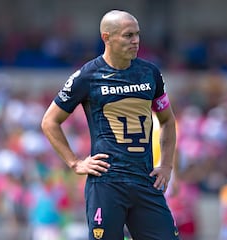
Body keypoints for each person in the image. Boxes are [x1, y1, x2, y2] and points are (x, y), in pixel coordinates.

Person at [41, 10, 179, 240]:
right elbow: (49, 121)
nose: (135, 40)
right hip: (107, 183)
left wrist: (166, 166)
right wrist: (75, 163)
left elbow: (167, 120)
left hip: (146, 181)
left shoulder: (150, 73)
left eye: (137, 34)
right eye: (128, 35)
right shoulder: (87, 76)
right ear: (107, 37)